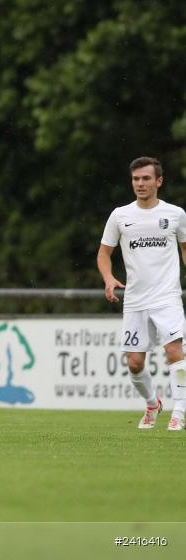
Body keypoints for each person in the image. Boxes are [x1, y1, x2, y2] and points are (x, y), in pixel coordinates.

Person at [97, 156, 186, 431]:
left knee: (175, 353)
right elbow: (104, 253)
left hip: (167, 297)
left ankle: (179, 414)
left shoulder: (175, 214)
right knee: (135, 364)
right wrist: (109, 277)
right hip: (135, 300)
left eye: (146, 178)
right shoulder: (120, 215)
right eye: (136, 179)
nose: (140, 184)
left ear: (158, 181)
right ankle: (152, 404)